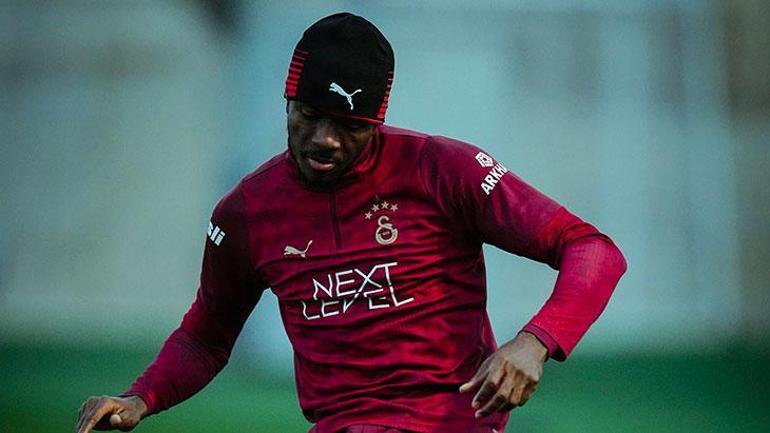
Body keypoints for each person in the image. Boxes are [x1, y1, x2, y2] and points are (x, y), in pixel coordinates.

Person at [75, 12, 626, 433]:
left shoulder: (442, 169)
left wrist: (533, 342)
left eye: (349, 126)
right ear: (288, 99)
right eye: (309, 115)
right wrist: (140, 398)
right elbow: (206, 337)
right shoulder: (246, 212)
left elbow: (591, 249)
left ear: (377, 120)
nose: (325, 140)